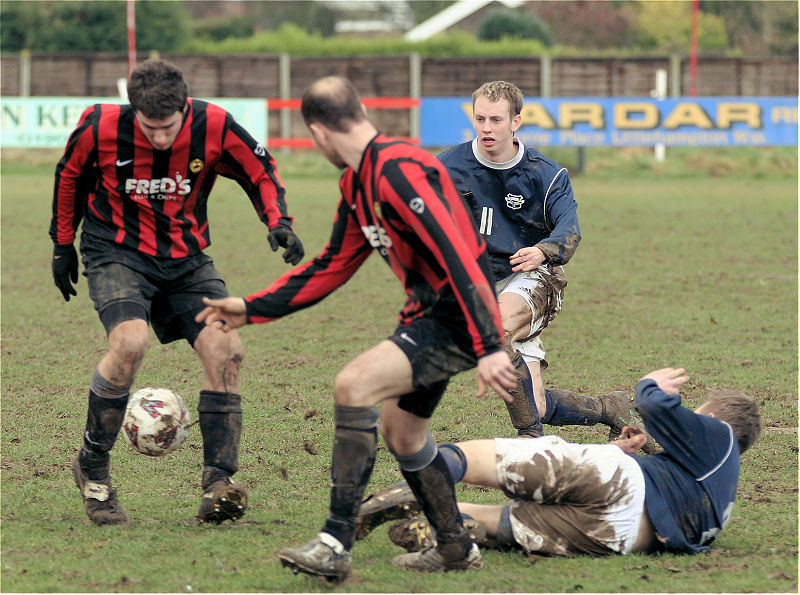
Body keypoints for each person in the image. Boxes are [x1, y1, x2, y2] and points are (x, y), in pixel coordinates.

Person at [195, 75, 517, 580]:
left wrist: (490, 345)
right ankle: (457, 547)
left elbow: (459, 253)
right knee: (403, 434)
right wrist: (251, 307)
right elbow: (331, 266)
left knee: (354, 384)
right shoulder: (356, 181)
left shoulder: (401, 169)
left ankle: (334, 543)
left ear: (318, 132)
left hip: (457, 317)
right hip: (436, 317)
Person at [51, 59, 305, 527]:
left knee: (226, 348)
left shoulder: (214, 124)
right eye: (150, 128)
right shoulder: (99, 126)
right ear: (134, 112)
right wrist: (61, 244)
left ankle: (218, 483)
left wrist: (279, 222)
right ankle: (93, 467)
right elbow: (69, 176)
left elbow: (261, 170)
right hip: (116, 252)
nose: (161, 138)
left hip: (186, 259)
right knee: (129, 343)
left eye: (168, 127)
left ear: (184, 107)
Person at [355, 367, 762, 560]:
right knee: (508, 522)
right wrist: (625, 452)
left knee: (493, 460)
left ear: (712, 419)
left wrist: (651, 383)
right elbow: (671, 494)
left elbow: (651, 402)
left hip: (622, 484)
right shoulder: (718, 500)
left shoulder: (718, 434)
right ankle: (459, 536)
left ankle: (413, 488)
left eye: (699, 414)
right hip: (618, 537)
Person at [438, 81, 641, 442]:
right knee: (537, 403)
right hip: (477, 285)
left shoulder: (546, 175)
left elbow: (570, 230)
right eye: (480, 118)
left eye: (496, 120)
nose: (486, 127)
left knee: (494, 334)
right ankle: (609, 408)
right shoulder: (447, 166)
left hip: (533, 277)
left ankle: (531, 438)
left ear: (516, 122)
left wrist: (543, 250)